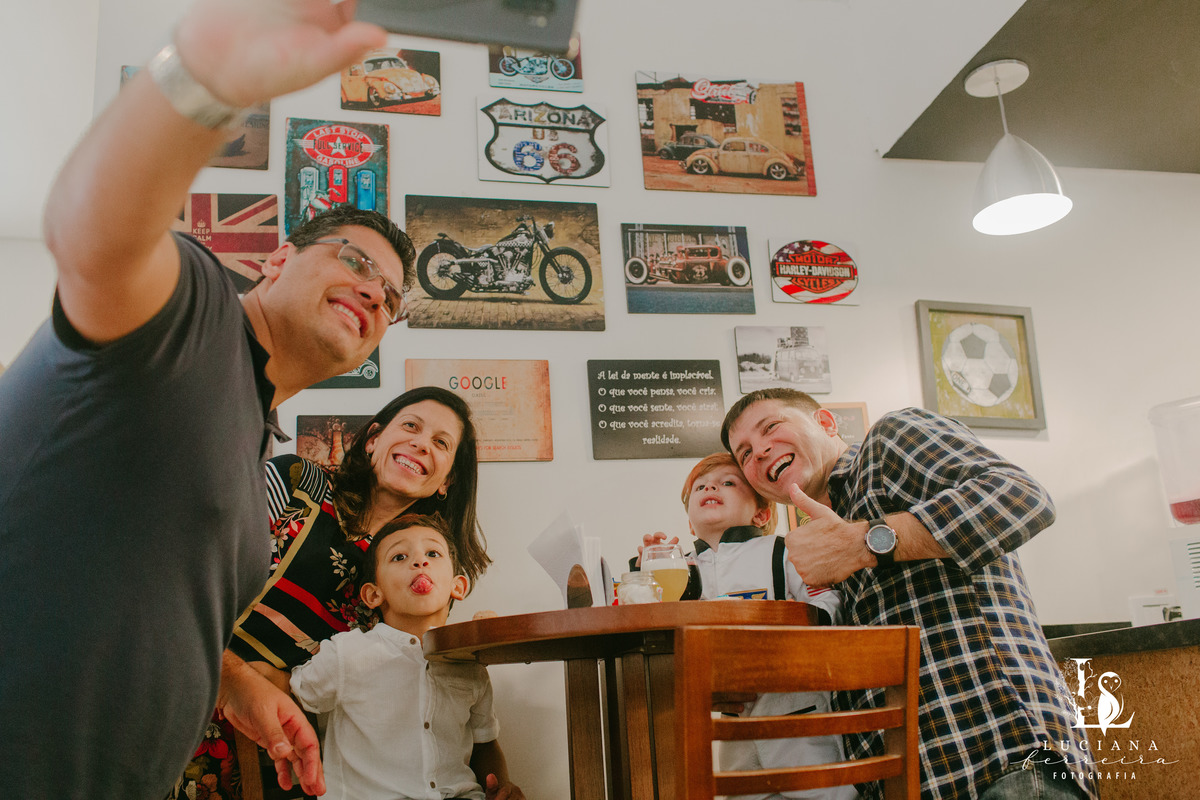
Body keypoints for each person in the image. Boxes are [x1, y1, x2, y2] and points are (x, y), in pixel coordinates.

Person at [0, 3, 403, 797]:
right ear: (278, 258)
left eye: (391, 297)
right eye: (355, 258)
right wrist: (200, 79)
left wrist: (232, 681)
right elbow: (91, 237)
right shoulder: (193, 313)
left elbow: (129, 590)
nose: (373, 290)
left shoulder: (255, 428)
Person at [721, 388, 1097, 800]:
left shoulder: (886, 442)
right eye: (743, 453)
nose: (758, 452)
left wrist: (862, 543)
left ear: (826, 424)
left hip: (1001, 758)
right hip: (901, 783)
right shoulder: (815, 546)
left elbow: (1020, 496)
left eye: (771, 427)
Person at [176, 386, 489, 799]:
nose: (420, 443)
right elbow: (176, 578)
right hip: (181, 686)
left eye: (440, 442)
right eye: (411, 426)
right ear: (374, 439)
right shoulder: (294, 481)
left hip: (289, 752)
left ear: (447, 480)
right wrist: (235, 677)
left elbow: (414, 684)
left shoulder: (425, 573)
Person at [635, 453, 852, 800]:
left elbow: (829, 604)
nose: (710, 487)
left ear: (762, 513)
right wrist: (649, 565)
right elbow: (651, 626)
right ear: (691, 524)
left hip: (796, 713)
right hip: (727, 724)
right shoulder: (681, 570)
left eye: (728, 482)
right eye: (699, 486)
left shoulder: (785, 551)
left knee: (821, 793)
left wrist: (788, 626)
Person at [290, 514, 524, 800]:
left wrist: (502, 787)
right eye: (400, 557)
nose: (419, 561)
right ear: (373, 594)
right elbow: (293, 696)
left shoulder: (470, 662)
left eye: (433, 553)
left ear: (457, 586)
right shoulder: (346, 653)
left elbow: (485, 743)